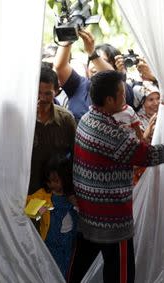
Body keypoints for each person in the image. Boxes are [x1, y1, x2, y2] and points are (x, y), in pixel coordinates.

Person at [67, 70, 164, 283]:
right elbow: (147, 155)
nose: (126, 97)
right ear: (109, 99)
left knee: (77, 269)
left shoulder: (86, 119)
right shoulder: (111, 134)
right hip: (111, 220)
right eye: (121, 93)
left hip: (88, 214)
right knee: (120, 275)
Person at [54, 29, 135, 122]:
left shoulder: (123, 90)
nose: (95, 66)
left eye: (104, 61)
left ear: (116, 68)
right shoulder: (79, 84)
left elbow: (111, 78)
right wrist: (68, 34)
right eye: (92, 61)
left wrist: (92, 53)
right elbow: (60, 66)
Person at [26, 154, 77, 277]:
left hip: (69, 244)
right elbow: (27, 207)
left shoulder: (71, 195)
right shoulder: (43, 194)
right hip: (49, 245)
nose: (53, 185)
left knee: (66, 270)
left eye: (57, 180)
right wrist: (37, 212)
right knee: (49, 272)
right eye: (51, 181)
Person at [28, 64, 76, 194]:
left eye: (48, 93)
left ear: (57, 91)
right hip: (25, 192)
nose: (42, 98)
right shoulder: (22, 118)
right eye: (38, 93)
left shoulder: (66, 120)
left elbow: (75, 157)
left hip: (55, 194)